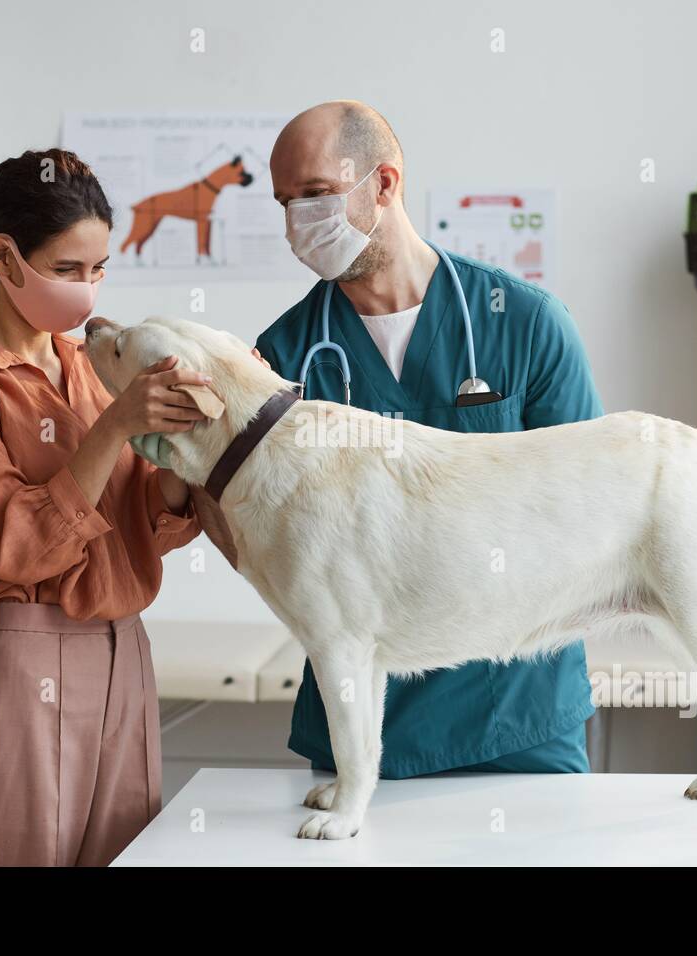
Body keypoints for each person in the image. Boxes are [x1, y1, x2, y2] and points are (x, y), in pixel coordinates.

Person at [256, 101, 604, 780]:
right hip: (361, 725)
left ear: (384, 183)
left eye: (318, 194)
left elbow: (589, 503)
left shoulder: (524, 323)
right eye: (285, 202)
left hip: (515, 710)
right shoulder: (282, 357)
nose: (299, 221)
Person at [0, 149, 207, 865]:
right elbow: (15, 543)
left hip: (125, 649)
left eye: (100, 269)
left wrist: (184, 448)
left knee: (123, 855)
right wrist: (114, 426)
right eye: (68, 270)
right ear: (6, 260)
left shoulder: (87, 365)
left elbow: (144, 525)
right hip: (25, 656)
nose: (89, 291)